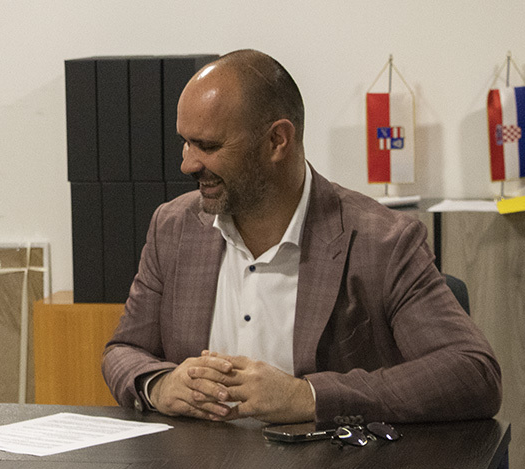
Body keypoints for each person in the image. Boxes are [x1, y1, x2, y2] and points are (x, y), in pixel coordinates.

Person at [102, 49, 501, 425]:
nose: (188, 163)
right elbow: (123, 350)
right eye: (185, 143)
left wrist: (307, 396)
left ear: (277, 141)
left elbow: (473, 373)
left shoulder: (383, 241)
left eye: (208, 146)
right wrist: (159, 385)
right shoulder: (172, 228)